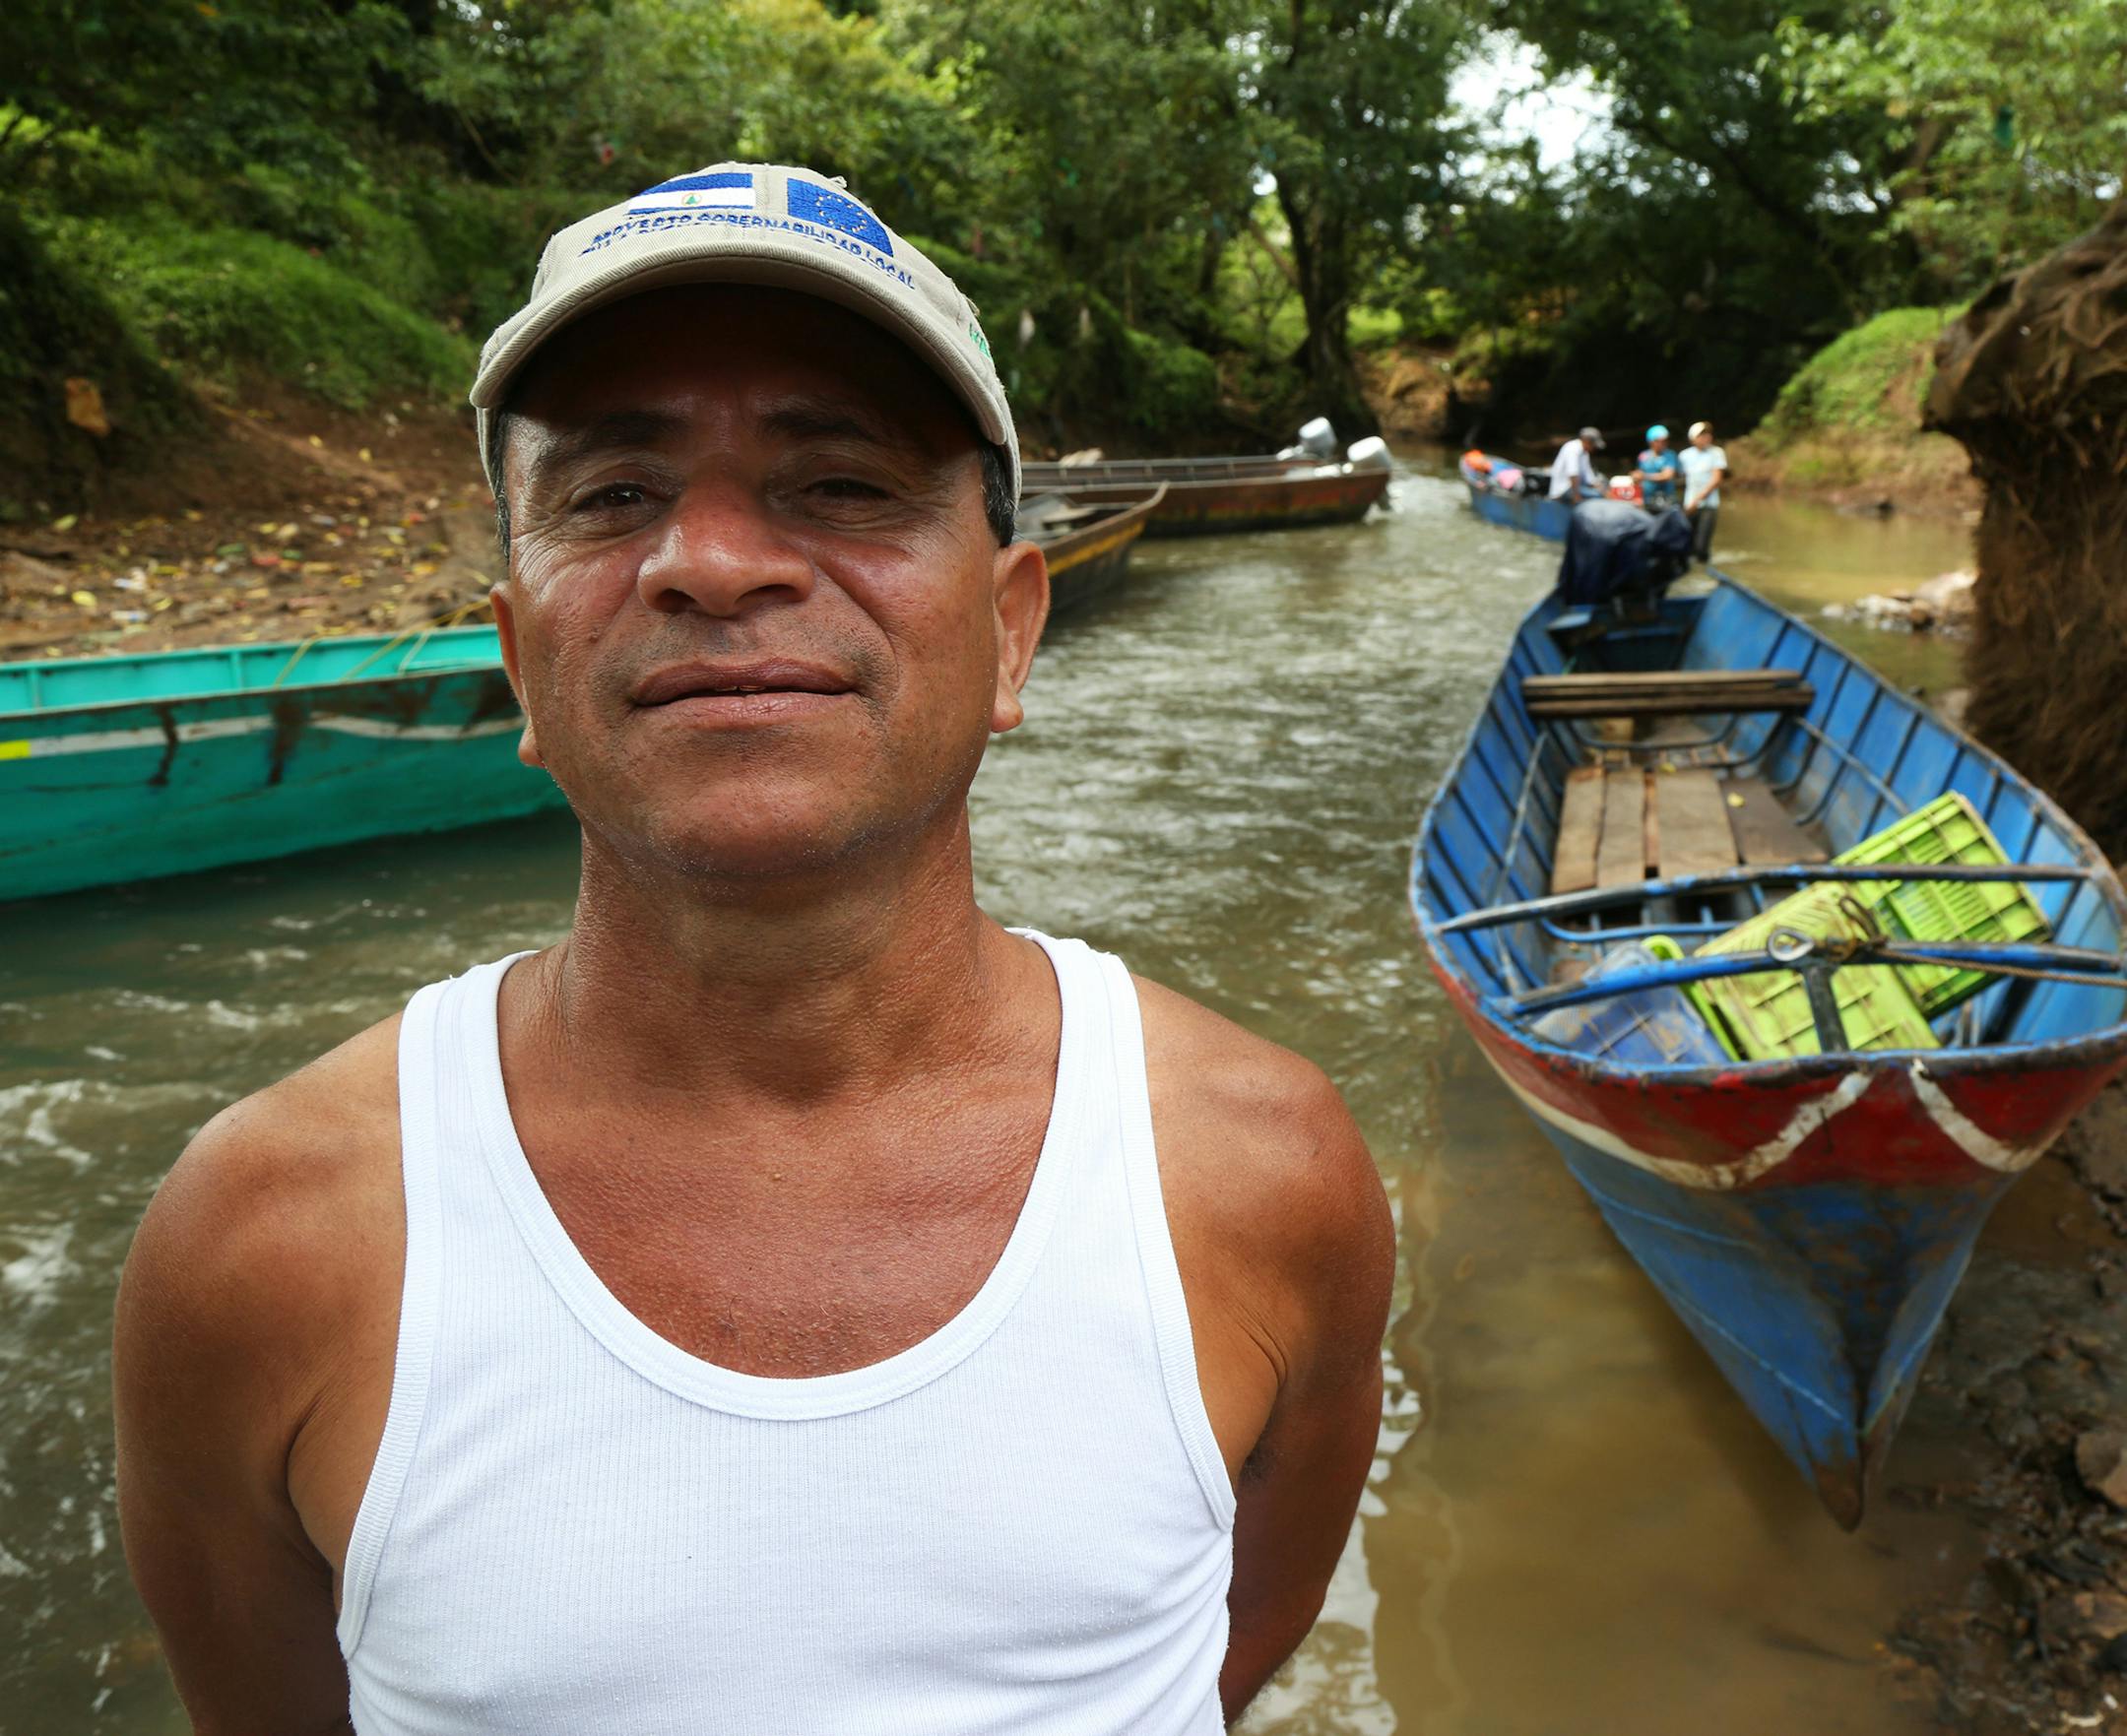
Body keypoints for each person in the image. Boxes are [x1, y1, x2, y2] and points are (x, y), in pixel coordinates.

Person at [112, 161, 1394, 1735]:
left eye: (841, 484)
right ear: (518, 657)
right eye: (611, 496)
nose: (712, 562)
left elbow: (1220, 1644)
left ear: (1010, 628)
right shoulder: (263, 1238)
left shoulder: (1264, 1170)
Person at [1679, 419, 1729, 561]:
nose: (1706, 437)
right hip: (1689, 505)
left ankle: (1704, 575)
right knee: (1686, 545)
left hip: (1708, 505)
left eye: (1708, 434)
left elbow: (1716, 479)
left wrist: (1698, 499)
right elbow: (1679, 478)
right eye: (1702, 435)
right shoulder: (1684, 456)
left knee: (1701, 548)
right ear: (1693, 439)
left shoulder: (1717, 453)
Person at [1548, 424, 1605, 500]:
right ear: (1586, 440)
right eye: (1593, 445)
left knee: (1600, 492)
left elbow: (1589, 478)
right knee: (1596, 495)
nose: (1594, 448)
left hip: (1575, 488)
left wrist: (1603, 490)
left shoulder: (1585, 453)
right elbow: (1573, 474)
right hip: (1563, 490)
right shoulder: (1573, 448)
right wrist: (1576, 496)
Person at [1634, 424, 1678, 510]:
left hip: (1666, 499)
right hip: (1647, 499)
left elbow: (1667, 475)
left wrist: (1644, 476)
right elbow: (1639, 474)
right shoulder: (1643, 456)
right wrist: (1636, 477)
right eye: (1660, 441)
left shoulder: (1669, 455)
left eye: (1665, 440)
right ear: (1651, 441)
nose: (1664, 443)